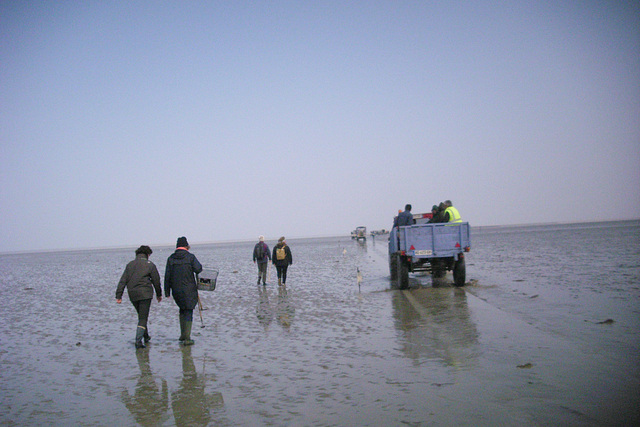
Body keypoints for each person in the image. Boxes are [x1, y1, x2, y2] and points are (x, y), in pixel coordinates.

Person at [116, 245, 163, 349]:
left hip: (132, 293)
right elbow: (156, 280)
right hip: (145, 294)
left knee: (141, 315)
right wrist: (159, 294)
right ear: (147, 254)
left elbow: (123, 280)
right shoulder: (150, 265)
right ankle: (138, 341)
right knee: (143, 317)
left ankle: (146, 336)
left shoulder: (130, 265)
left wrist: (119, 295)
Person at [165, 236, 203, 346]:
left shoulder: (171, 258)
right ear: (187, 246)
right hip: (189, 289)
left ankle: (182, 335)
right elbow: (199, 269)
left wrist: (167, 291)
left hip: (176, 290)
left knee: (182, 309)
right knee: (188, 311)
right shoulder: (190, 257)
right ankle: (187, 338)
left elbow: (167, 276)